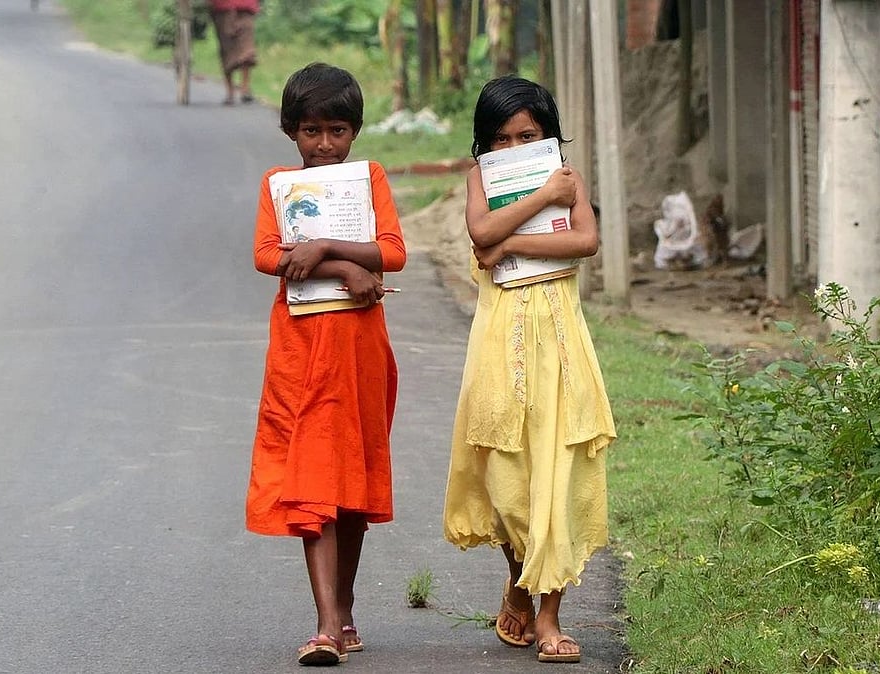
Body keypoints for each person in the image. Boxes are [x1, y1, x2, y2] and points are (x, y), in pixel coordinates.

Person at [442, 75, 616, 664]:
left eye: (528, 136)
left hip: (561, 341)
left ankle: (549, 616)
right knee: (509, 473)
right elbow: (481, 233)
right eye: (500, 139)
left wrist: (511, 248)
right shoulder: (482, 181)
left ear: (549, 136)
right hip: (500, 340)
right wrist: (541, 201)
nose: (513, 150)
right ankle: (518, 580)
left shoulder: (570, 178)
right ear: (483, 145)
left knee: (559, 469)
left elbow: (586, 241)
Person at [246, 62, 406, 667]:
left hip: (360, 349)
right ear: (291, 131)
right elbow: (266, 255)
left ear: (355, 131)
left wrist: (325, 248)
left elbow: (393, 251)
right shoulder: (279, 186)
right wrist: (344, 268)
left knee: (352, 482)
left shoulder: (371, 181)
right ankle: (326, 626)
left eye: (337, 130)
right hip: (299, 350)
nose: (324, 145)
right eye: (311, 131)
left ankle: (344, 607)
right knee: (312, 478)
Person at [208, 0, 260, 105]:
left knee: (246, 49)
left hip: (244, 7)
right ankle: (230, 91)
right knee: (227, 49)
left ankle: (244, 89)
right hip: (223, 8)